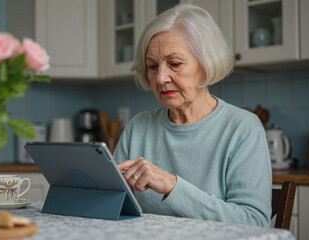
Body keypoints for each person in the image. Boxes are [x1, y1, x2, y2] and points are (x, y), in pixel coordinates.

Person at [114, 4, 272, 227]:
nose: (160, 78)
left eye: (175, 64)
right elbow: (110, 204)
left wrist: (172, 186)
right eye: (152, 66)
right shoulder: (137, 127)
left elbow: (254, 223)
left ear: (206, 64)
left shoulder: (243, 128)